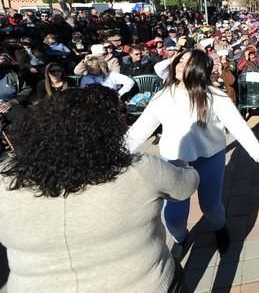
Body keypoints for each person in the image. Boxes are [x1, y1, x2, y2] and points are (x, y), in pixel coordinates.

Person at [0, 86, 199, 292]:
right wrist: (183, 164)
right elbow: (186, 186)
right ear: (107, 130)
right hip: (146, 283)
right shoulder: (138, 169)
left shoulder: (5, 181)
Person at [126, 49, 259, 260]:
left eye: (187, 62)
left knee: (211, 206)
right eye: (180, 60)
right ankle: (180, 239)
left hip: (210, 158)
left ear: (199, 69)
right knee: (174, 216)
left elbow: (237, 124)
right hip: (175, 162)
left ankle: (220, 228)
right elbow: (139, 130)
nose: (180, 65)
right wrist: (114, 155)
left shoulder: (214, 95)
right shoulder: (163, 96)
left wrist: (257, 150)